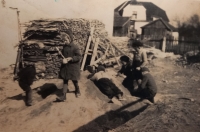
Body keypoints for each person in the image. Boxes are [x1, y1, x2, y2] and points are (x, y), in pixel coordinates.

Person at [56, 29, 82, 102]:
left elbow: (79, 56)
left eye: (66, 40)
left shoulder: (75, 47)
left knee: (74, 80)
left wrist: (71, 58)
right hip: (66, 67)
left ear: (69, 39)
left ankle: (77, 90)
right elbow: (62, 55)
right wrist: (60, 55)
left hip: (73, 67)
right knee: (65, 80)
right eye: (63, 41)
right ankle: (63, 95)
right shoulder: (64, 46)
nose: (64, 42)